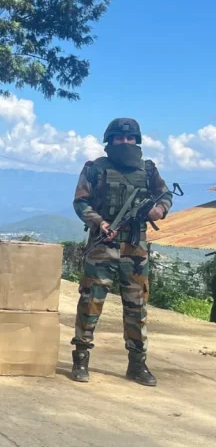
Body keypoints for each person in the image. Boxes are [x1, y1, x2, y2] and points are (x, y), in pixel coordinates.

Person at [70, 117, 173, 387]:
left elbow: (165, 195)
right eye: (119, 138)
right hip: (103, 244)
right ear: (110, 141)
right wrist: (99, 222)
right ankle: (81, 357)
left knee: (137, 306)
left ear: (136, 141)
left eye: (129, 138)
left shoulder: (148, 170)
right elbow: (80, 202)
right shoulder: (95, 169)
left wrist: (159, 210)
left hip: (136, 247)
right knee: (91, 301)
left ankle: (137, 364)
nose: (124, 142)